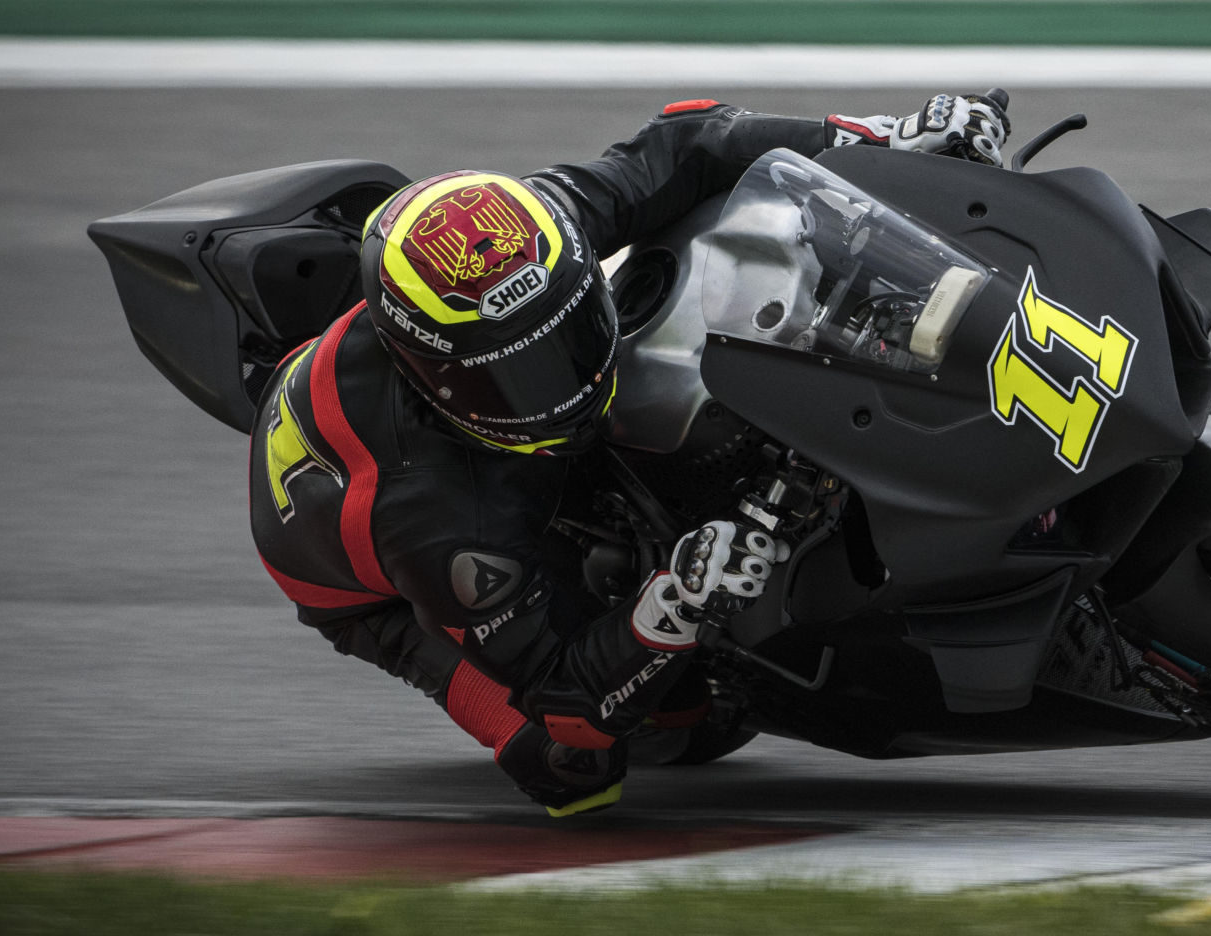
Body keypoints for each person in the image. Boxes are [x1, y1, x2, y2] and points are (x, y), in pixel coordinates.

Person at [248, 93, 1010, 816]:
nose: (565, 384)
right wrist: (671, 607)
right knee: (576, 767)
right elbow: (568, 700)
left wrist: (874, 136)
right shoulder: (430, 515)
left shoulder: (539, 229)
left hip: (474, 429)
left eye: (569, 331)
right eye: (520, 376)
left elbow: (689, 141)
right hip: (362, 569)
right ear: (435, 380)